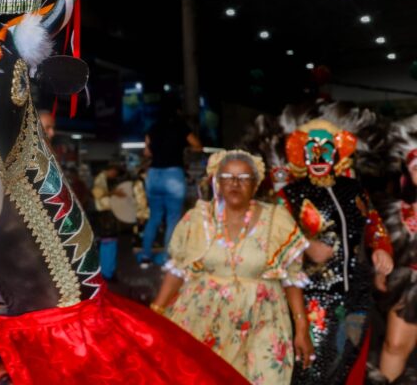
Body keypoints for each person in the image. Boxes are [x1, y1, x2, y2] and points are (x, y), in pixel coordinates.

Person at [151, 150, 314, 384]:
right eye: (227, 177)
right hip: (204, 318)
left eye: (244, 178)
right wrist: (155, 312)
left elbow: (292, 278)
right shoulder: (198, 219)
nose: (235, 183)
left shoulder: (276, 220)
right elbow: (178, 270)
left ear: (256, 184)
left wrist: (301, 327)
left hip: (263, 319)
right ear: (217, 182)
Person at [277, 119, 393, 385]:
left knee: (345, 366)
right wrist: (304, 245)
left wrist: (381, 249)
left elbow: (375, 225)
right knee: (313, 369)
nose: (318, 156)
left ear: (338, 152)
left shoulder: (354, 191)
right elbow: (273, 242)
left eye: (326, 149)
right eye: (311, 150)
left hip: (357, 297)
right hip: (314, 298)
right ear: (300, 154)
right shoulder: (288, 196)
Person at [375, 115, 417, 383]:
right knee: (394, 346)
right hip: (410, 286)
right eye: (416, 167)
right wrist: (382, 269)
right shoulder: (396, 212)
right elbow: (383, 243)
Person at [140, 96, 202, 265]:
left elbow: (147, 153)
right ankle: (167, 259)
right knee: (173, 219)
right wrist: (183, 148)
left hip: (153, 175)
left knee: (154, 218)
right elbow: (198, 145)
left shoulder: (152, 128)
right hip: (173, 174)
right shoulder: (181, 126)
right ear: (177, 110)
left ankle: (145, 257)